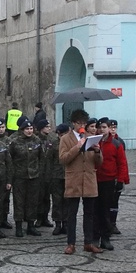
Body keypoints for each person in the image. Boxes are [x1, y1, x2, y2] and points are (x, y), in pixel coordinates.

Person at [59, 109, 103, 255]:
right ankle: (71, 243)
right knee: (72, 213)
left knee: (89, 213)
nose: (82, 126)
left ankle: (88, 242)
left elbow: (99, 162)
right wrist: (78, 147)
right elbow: (64, 159)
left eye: (84, 123)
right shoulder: (66, 139)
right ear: (73, 123)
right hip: (74, 180)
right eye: (79, 123)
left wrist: (97, 151)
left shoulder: (91, 137)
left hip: (89, 180)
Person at [94, 117, 128, 251]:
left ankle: (106, 237)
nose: (102, 130)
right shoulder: (93, 142)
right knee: (95, 211)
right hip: (95, 180)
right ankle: (95, 237)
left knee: (106, 211)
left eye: (104, 127)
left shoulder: (116, 144)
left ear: (109, 129)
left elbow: (122, 163)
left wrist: (120, 180)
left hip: (109, 181)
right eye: (100, 127)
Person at [9, 119, 43, 237]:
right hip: (19, 176)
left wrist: (39, 172)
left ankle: (31, 226)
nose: (29, 131)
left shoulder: (37, 141)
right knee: (19, 201)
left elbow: (41, 158)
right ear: (22, 130)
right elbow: (10, 159)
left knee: (32, 201)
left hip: (34, 176)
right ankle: (18, 226)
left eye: (31, 129)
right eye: (27, 129)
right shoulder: (15, 142)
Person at [49, 123, 68, 235]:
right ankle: (57, 223)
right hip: (56, 175)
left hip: (68, 175)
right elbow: (48, 160)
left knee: (67, 200)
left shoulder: (71, 143)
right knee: (56, 200)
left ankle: (66, 222)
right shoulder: (53, 144)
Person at [107, 120, 126, 234]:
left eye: (115, 127)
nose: (113, 129)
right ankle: (107, 223)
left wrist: (122, 178)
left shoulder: (120, 142)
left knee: (115, 202)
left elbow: (122, 162)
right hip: (107, 176)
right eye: (111, 127)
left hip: (117, 176)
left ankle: (113, 223)